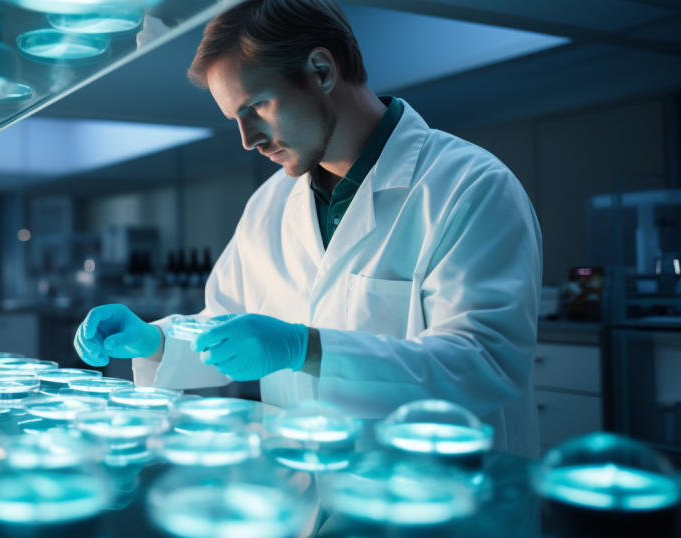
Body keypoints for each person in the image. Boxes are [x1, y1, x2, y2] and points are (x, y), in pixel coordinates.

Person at [74, 0, 541, 457]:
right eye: (235, 118)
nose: (247, 139)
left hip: (436, 498)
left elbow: (484, 365)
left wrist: (307, 348)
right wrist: (156, 341)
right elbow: (224, 325)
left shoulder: (469, 186)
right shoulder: (270, 204)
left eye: (257, 106)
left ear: (321, 71)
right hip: (305, 488)